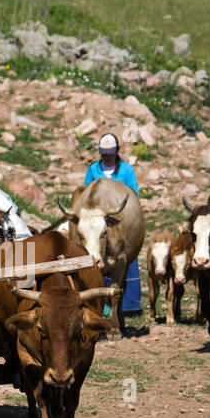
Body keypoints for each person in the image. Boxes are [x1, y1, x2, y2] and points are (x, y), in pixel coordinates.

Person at [84, 133, 142, 314]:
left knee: (122, 261)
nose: (107, 155)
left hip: (119, 219)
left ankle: (128, 305)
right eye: (104, 152)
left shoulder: (125, 170)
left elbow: (133, 194)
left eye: (110, 152)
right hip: (97, 219)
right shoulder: (93, 169)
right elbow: (86, 192)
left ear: (116, 151)